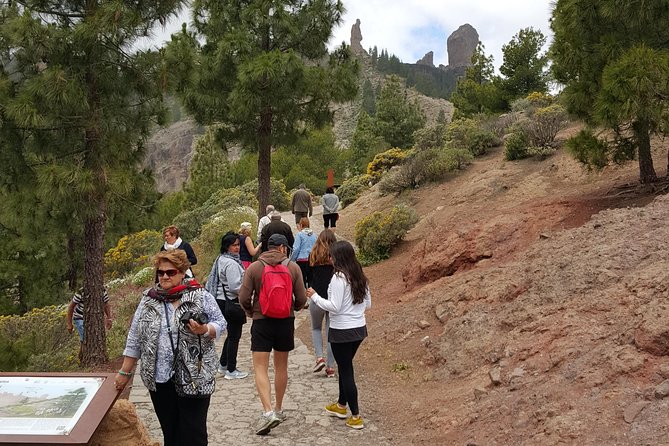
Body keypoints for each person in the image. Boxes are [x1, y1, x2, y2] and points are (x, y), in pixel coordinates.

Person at [115, 250, 225, 446]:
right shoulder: (148, 299)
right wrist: (125, 371)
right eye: (161, 272)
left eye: (170, 272)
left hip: (194, 375)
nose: (164, 276)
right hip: (160, 377)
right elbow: (135, 337)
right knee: (171, 433)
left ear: (183, 272)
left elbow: (220, 323)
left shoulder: (199, 295)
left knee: (194, 433)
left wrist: (204, 329)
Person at [239, 233, 308, 435]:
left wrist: (251, 311)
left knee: (260, 367)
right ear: (283, 248)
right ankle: (279, 407)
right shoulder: (293, 267)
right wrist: (293, 308)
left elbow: (243, 297)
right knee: (281, 366)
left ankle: (268, 412)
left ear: (267, 247)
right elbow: (302, 298)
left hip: (262, 322)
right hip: (285, 322)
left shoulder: (254, 267)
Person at [306, 241, 371, 430]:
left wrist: (315, 296)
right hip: (359, 329)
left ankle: (356, 415)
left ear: (338, 257)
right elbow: (368, 304)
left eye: (332, 255)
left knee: (347, 371)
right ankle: (341, 405)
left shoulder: (338, 278)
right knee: (344, 366)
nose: (329, 259)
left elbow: (334, 307)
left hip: (342, 330)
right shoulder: (360, 275)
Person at [213, 231, 249, 380]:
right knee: (235, 335)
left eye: (238, 244)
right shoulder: (231, 263)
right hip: (231, 301)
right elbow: (235, 286)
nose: (237, 248)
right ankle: (231, 370)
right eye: (234, 245)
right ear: (227, 247)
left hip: (221, 300)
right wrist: (247, 289)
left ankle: (223, 364)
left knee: (230, 334)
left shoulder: (221, 259)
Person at [308, 229, 337, 378]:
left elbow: (309, 278)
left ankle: (319, 357)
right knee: (330, 332)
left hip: (316, 297)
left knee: (316, 328)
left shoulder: (313, 256)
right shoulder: (336, 258)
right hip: (332, 299)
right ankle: (331, 367)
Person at [66, 287, 112, 360]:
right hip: (80, 317)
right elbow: (71, 307)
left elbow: (106, 304)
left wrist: (109, 318)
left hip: (95, 317)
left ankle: (86, 358)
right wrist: (69, 323)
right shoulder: (81, 292)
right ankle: (82, 359)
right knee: (85, 338)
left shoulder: (102, 290)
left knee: (94, 337)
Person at [291, 216, 316, 288]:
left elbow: (296, 249)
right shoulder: (314, 235)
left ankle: (303, 294)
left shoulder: (300, 235)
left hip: (301, 260)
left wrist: (292, 259)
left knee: (302, 279)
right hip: (311, 260)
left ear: (301, 225)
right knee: (311, 278)